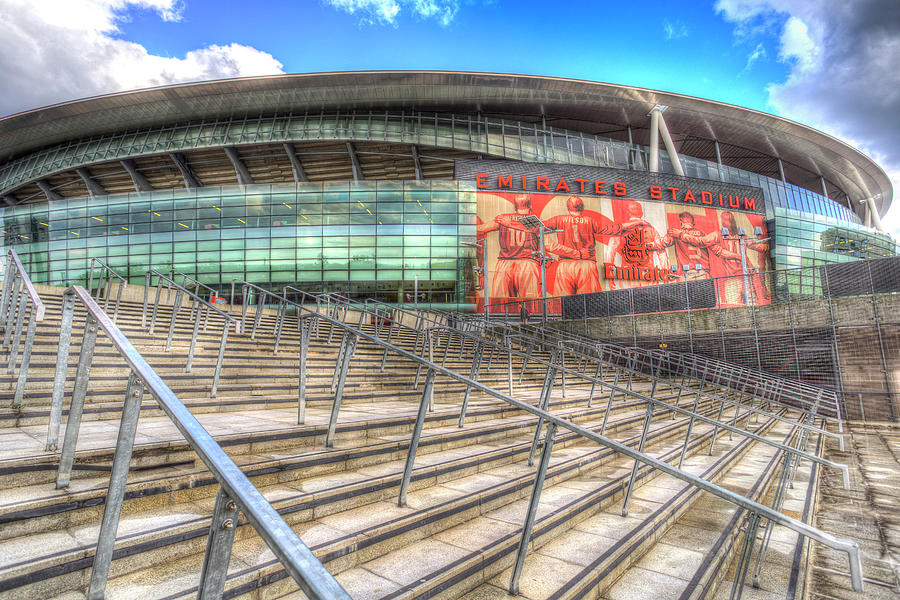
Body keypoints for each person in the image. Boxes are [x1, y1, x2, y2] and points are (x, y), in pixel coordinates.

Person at [541, 196, 649, 295]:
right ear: (582, 208)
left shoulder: (558, 220)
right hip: (587, 266)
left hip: (565, 265)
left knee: (562, 304)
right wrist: (635, 223)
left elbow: (539, 227)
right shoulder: (590, 221)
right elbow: (614, 228)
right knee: (589, 303)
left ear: (568, 208)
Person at [477, 195, 541, 300]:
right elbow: (544, 238)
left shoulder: (503, 218)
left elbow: (481, 229)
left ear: (515, 207)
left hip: (504, 264)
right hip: (527, 263)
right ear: (530, 206)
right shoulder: (534, 220)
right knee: (530, 303)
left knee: (501, 304)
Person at [605, 200, 669, 289]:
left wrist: (610, 275)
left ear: (627, 212)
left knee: (629, 301)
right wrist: (665, 273)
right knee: (651, 300)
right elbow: (662, 252)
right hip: (649, 274)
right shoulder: (651, 229)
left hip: (628, 273)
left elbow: (610, 251)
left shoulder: (621, 229)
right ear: (642, 212)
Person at [662, 212, 739, 280]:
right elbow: (718, 250)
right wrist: (736, 256)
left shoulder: (675, 233)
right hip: (703, 273)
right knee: (707, 296)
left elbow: (663, 243)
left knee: (687, 296)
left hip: (686, 274)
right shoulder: (702, 234)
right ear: (693, 224)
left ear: (681, 222)